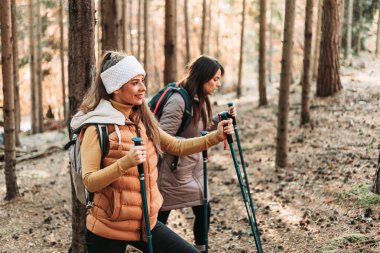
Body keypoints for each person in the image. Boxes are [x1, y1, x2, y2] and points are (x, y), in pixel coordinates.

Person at [70, 51, 233, 253]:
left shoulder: (141, 119)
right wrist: (125, 163)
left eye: (142, 81)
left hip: (147, 223)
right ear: (116, 88)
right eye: (135, 83)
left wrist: (216, 137)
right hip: (108, 230)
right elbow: (90, 181)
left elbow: (177, 146)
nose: (143, 88)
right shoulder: (96, 127)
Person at [156, 55, 236, 252]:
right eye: (215, 79)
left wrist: (221, 119)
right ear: (202, 77)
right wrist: (200, 142)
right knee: (159, 216)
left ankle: (202, 249)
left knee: (203, 208)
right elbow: (162, 140)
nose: (218, 83)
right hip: (170, 170)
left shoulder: (199, 98)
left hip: (191, 168)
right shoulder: (178, 100)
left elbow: (197, 126)